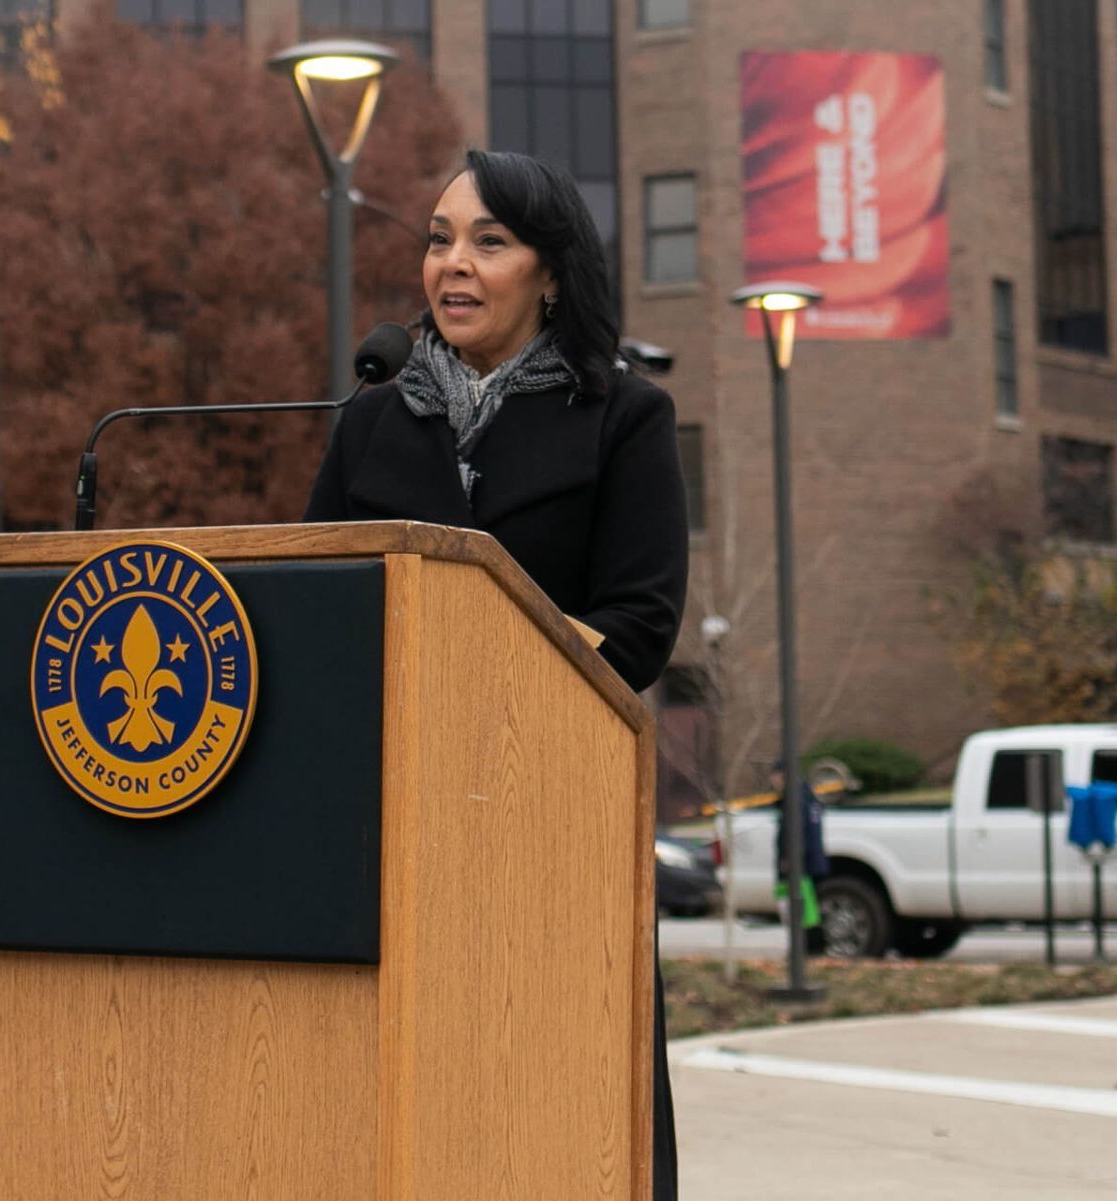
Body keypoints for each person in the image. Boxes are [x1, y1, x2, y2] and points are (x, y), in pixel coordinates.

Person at [305, 149, 688, 1200]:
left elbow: (642, 625)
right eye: (438, 240)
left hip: (552, 820)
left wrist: (490, 651)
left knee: (558, 1107)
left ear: (552, 271)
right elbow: (311, 602)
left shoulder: (624, 417)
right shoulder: (372, 417)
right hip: (395, 825)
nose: (453, 265)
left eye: (489, 241)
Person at [768, 761, 830, 955]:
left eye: (775, 776)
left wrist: (790, 858)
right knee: (808, 908)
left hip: (799, 862)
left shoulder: (795, 797)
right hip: (811, 860)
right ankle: (809, 948)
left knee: (800, 909)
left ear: (782, 775)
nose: (773, 781)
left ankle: (808, 949)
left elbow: (794, 831)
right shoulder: (807, 793)